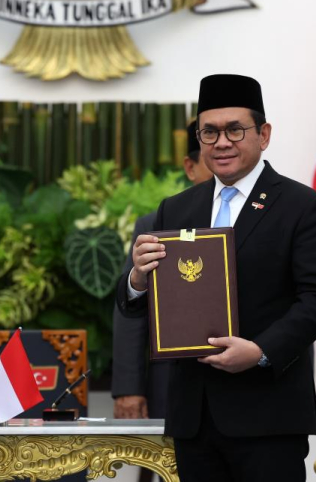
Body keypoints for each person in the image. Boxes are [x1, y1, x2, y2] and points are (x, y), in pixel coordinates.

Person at [116, 74, 316, 482]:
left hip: (268, 415)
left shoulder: (302, 206)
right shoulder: (175, 209)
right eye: (210, 132)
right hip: (193, 417)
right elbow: (138, 305)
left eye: (235, 130)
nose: (221, 142)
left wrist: (260, 351)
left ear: (263, 134)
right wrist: (137, 278)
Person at [112, 119, 212, 421]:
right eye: (211, 158)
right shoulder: (158, 223)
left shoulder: (266, 216)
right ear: (190, 167)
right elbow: (132, 307)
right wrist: (129, 387)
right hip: (173, 382)